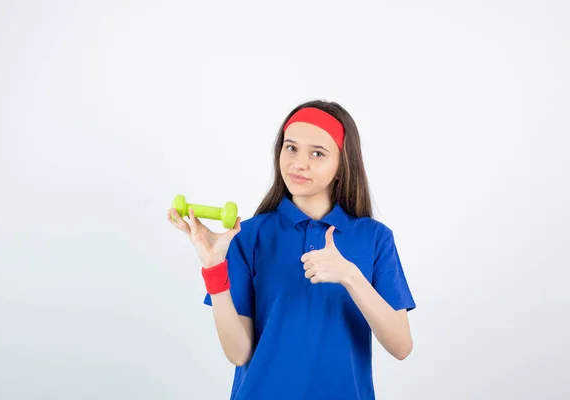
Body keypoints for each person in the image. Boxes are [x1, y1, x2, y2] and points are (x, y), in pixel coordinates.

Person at [168, 99, 416, 400]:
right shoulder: (248, 236)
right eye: (291, 147)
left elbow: (401, 347)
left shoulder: (375, 239)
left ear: (341, 166)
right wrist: (214, 266)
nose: (299, 163)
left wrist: (351, 276)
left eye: (317, 153)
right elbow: (238, 353)